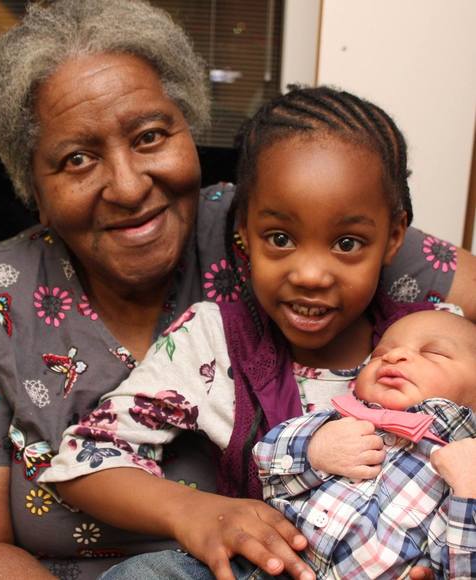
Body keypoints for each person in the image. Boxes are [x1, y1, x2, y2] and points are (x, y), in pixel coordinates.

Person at [0, 0, 475, 578]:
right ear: (34, 187)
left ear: (188, 130)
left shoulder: (287, 226)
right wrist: (190, 512)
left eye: (150, 136)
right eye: (77, 159)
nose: (128, 187)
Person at [38, 85, 463, 580]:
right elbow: (86, 460)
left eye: (347, 243)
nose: (310, 275)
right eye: (280, 238)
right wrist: (198, 513)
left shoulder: (435, 338)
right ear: (243, 231)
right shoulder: (214, 342)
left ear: (393, 237)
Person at [252, 309, 476, 579]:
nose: (393, 356)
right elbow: (265, 465)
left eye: (433, 353)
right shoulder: (340, 420)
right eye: (379, 354)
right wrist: (314, 450)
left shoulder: (468, 467)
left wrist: (468, 494)